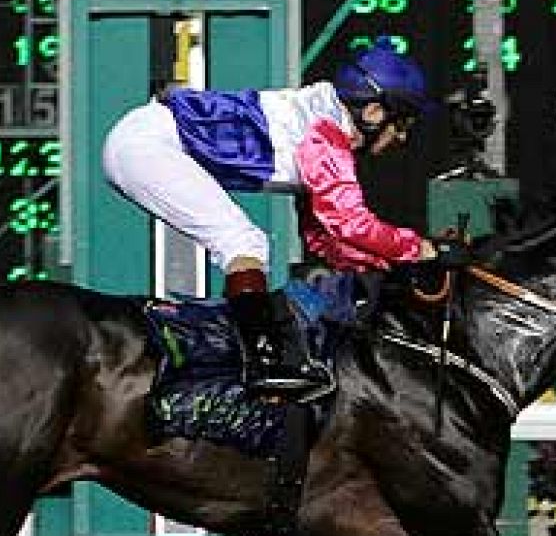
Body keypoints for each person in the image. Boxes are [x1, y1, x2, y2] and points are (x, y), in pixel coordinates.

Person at [102, 37, 441, 398]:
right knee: (244, 242)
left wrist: (387, 263)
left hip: (144, 140)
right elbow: (349, 223)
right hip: (146, 145)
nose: (402, 136)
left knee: (246, 241)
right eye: (402, 123)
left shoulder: (323, 125)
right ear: (373, 112)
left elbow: (323, 239)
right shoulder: (324, 137)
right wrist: (415, 248)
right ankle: (261, 360)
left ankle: (256, 353)